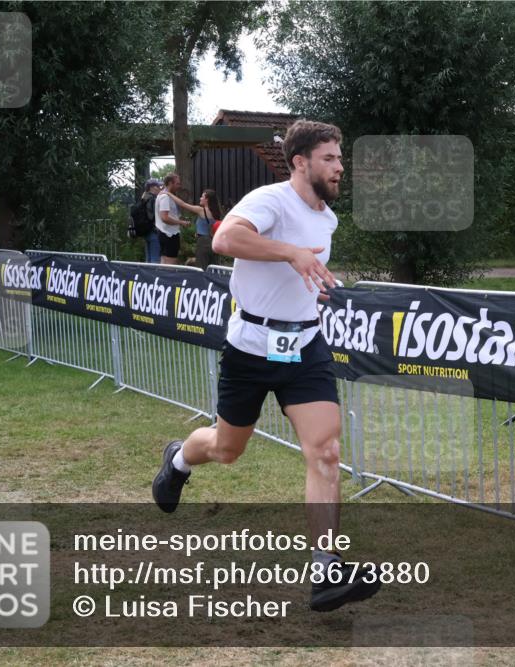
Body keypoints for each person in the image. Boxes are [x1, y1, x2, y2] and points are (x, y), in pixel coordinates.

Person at [151, 120, 382, 612]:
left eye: (340, 158)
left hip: (305, 348)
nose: (340, 167)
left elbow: (301, 271)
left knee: (325, 451)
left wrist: (313, 283)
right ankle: (178, 459)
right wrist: (291, 254)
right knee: (226, 448)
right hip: (251, 349)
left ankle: (326, 568)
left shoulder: (328, 219)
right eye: (330, 158)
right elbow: (225, 240)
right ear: (300, 162)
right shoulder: (270, 200)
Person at [170, 188, 223, 270]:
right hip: (214, 242)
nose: (200, 198)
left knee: (201, 267)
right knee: (213, 267)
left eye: (202, 197)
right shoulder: (217, 212)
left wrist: (169, 194)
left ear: (207, 200)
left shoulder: (201, 210)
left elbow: (183, 204)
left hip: (203, 241)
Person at [155, 173, 192, 264]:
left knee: (164, 261)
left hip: (165, 232)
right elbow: (165, 218)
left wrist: (179, 218)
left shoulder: (166, 195)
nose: (179, 186)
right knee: (171, 262)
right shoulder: (165, 197)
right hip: (169, 234)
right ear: (170, 183)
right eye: (177, 184)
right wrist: (181, 222)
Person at [138, 178, 162, 263]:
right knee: (155, 259)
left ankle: (146, 276)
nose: (160, 188)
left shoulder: (143, 198)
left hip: (145, 231)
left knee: (148, 258)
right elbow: (157, 216)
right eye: (158, 186)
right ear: (152, 187)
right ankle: (153, 276)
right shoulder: (154, 199)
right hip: (154, 231)